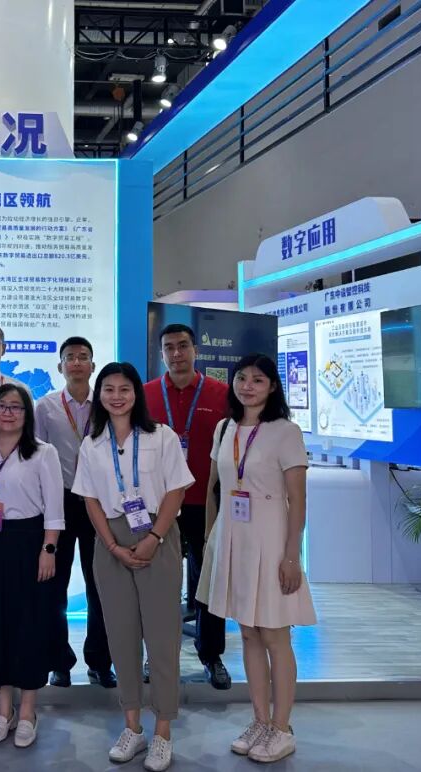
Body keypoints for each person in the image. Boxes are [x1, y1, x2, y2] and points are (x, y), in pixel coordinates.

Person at [72, 362, 193, 772]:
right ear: (100, 395)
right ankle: (132, 727)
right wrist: (111, 545)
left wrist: (154, 537)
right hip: (110, 541)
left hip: (157, 535)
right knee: (121, 637)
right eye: (109, 389)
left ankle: (163, 731)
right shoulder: (92, 443)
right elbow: (89, 499)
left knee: (162, 639)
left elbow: (176, 490)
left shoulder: (161, 436)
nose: (117, 396)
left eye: (125, 388)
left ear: (136, 393)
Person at [201, 354, 315, 764]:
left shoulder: (286, 431)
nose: (247, 386)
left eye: (258, 380)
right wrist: (212, 540)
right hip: (234, 536)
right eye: (242, 378)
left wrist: (291, 555)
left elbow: (297, 499)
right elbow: (216, 487)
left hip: (271, 537)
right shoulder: (224, 427)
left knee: (274, 635)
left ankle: (283, 728)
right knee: (248, 632)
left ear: (272, 387)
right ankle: (261, 721)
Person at [0, 384, 65, 749]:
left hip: (30, 543)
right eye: (2, 406)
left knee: (29, 626)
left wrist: (48, 549)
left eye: (16, 407)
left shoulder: (43, 453)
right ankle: (3, 709)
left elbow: (55, 507)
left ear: (27, 415)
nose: (8, 413)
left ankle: (27, 711)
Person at [144, 324, 232, 690]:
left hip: (205, 503)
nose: (176, 353)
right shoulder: (146, 394)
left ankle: (211, 655)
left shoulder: (222, 394)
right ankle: (156, 655)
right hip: (159, 504)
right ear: (161, 353)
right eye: (169, 347)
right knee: (158, 586)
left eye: (183, 346)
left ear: (196, 349)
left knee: (210, 582)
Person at [34, 336, 116, 689]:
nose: (77, 362)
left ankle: (100, 662)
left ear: (93, 365)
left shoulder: (108, 404)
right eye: (71, 357)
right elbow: (36, 455)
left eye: (84, 357)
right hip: (61, 502)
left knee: (101, 585)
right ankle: (59, 662)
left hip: (98, 502)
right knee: (54, 587)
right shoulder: (45, 407)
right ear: (60, 366)